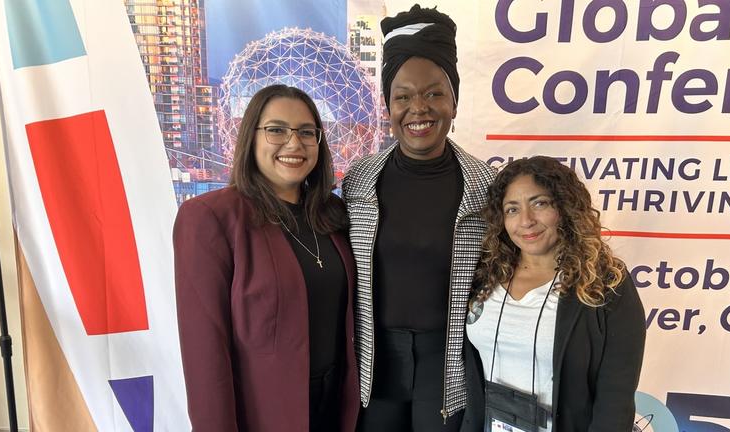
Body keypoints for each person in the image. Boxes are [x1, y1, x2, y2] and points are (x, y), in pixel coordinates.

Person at [342, 5, 496, 431]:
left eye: (433, 93)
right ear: (388, 106)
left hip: (447, 363)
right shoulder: (359, 181)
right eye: (403, 96)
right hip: (374, 364)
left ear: (454, 101)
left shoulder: (487, 186)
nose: (418, 108)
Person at [173, 84, 359, 432]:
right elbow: (205, 355)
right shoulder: (211, 218)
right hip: (264, 414)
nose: (294, 143)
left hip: (334, 408)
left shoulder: (333, 214)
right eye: (276, 130)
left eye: (307, 132)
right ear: (251, 138)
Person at [465, 156, 646, 431]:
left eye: (540, 204)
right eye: (512, 209)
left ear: (565, 207)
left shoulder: (605, 283)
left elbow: (616, 399)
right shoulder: (486, 275)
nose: (526, 221)